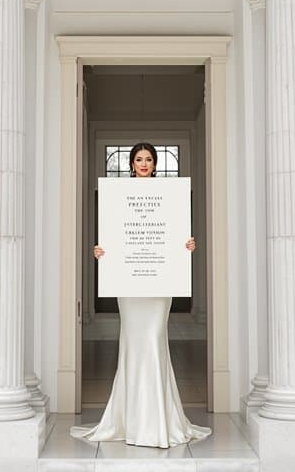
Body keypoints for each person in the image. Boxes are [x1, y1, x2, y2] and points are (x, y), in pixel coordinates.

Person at [70, 142, 212, 448]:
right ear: (132, 164)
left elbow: (174, 236)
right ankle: (131, 420)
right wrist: (100, 250)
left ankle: (160, 420)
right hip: (129, 284)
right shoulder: (117, 195)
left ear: (155, 163)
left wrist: (186, 245)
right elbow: (112, 238)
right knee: (134, 343)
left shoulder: (168, 194)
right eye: (139, 159)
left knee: (153, 340)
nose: (144, 163)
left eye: (148, 159)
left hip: (160, 283)